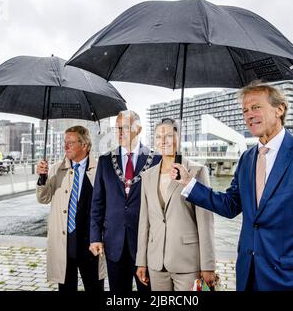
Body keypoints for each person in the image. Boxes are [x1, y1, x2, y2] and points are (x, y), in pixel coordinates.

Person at [171, 81, 293, 291]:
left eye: (256, 107)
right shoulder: (247, 158)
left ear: (279, 109)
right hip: (250, 275)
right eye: (245, 110)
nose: (248, 115)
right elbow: (230, 205)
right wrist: (189, 183)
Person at [136, 118, 216, 291]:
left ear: (179, 138)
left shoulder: (197, 171)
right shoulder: (147, 176)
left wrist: (208, 265)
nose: (163, 141)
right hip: (156, 262)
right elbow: (144, 222)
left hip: (187, 261)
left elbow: (205, 221)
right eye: (158, 136)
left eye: (169, 135)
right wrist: (141, 261)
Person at [89, 110, 161, 292]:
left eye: (125, 128)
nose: (120, 132)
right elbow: (97, 203)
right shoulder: (105, 161)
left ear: (139, 129)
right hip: (114, 245)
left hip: (147, 246)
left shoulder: (156, 160)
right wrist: (95, 237)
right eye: (117, 128)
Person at [36, 125, 105, 292]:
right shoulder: (56, 169)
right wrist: (42, 178)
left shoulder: (101, 169)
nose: (65, 146)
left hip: (91, 243)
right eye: (64, 142)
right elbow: (43, 198)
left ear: (85, 145)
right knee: (66, 288)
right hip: (64, 242)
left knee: (95, 287)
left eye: (71, 143)